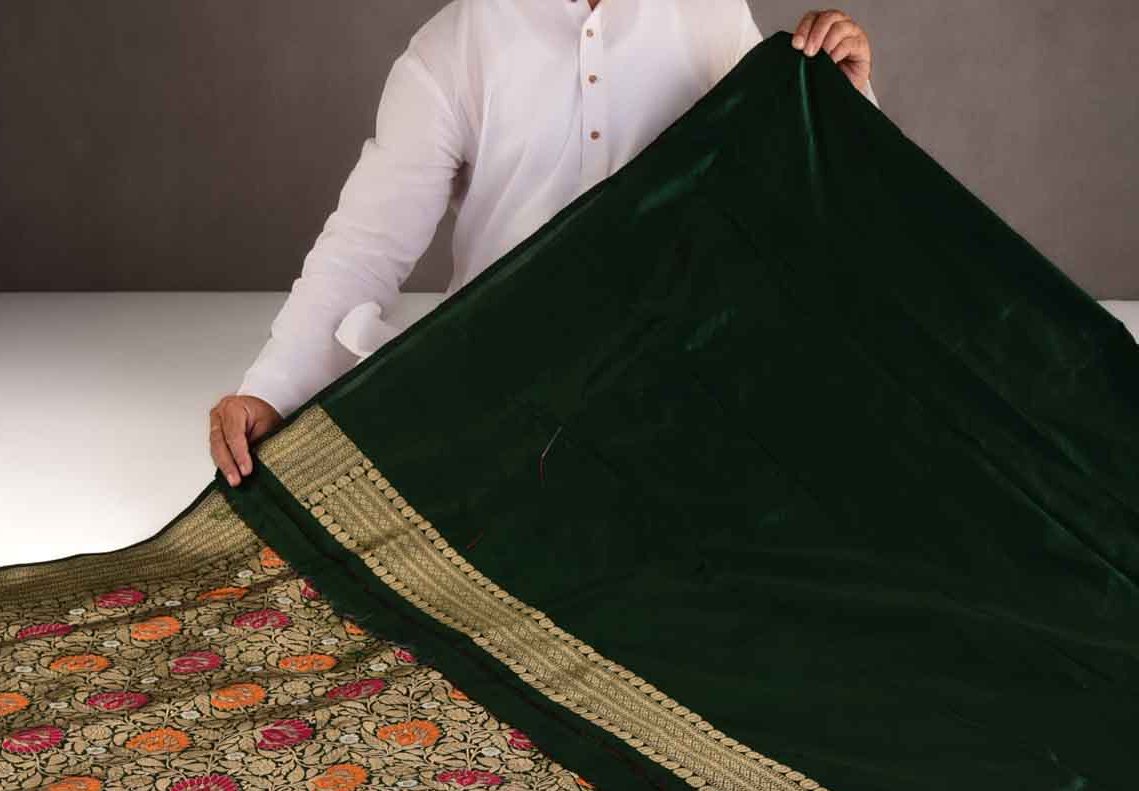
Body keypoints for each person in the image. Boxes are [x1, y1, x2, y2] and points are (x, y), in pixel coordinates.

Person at [209, 3, 874, 484]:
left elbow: (794, 190)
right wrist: (271, 390)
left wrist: (843, 100)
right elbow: (364, 249)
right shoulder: (456, 45)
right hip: (500, 415)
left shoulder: (708, 16)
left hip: (679, 400)